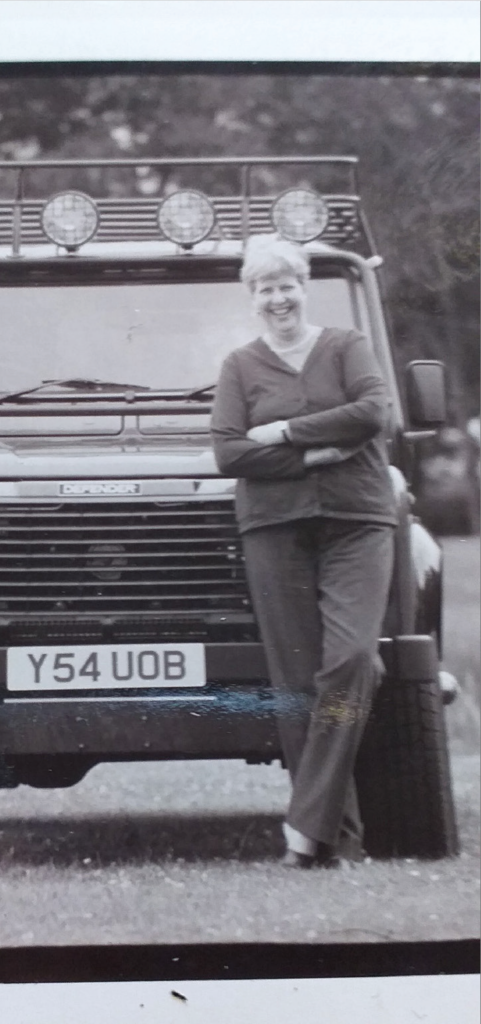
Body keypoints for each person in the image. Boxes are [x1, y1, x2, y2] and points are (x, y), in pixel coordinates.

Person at [210, 235, 398, 868]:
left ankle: (301, 826)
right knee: (296, 683)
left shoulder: (346, 346)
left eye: (286, 283)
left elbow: (373, 411)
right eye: (265, 288)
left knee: (350, 662)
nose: (278, 297)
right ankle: (332, 841)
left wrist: (285, 431)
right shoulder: (240, 365)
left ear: (304, 286)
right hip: (274, 527)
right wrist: (315, 451)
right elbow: (230, 453)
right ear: (252, 298)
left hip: (357, 521)